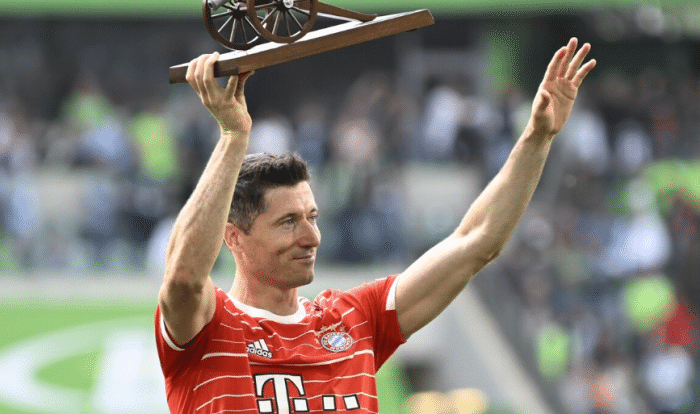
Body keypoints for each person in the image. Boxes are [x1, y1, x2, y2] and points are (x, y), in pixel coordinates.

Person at [155, 38, 596, 413]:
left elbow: (476, 242)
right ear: (234, 237)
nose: (311, 237)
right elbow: (183, 278)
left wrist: (537, 137)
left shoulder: (353, 321)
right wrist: (233, 137)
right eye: (288, 222)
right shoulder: (207, 329)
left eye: (312, 218)